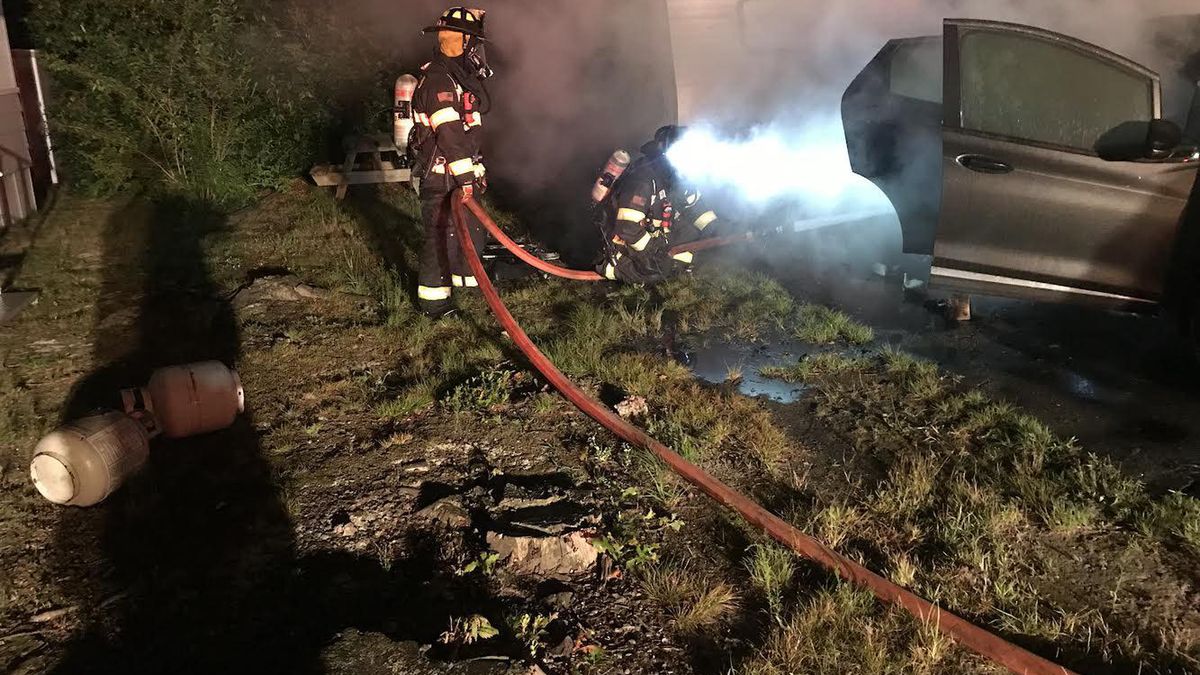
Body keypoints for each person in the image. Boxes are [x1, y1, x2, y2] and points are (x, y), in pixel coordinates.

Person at [411, 7, 494, 317]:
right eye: (474, 43)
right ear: (461, 43)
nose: (477, 51)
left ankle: (461, 285)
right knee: (438, 237)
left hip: (455, 172)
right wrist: (466, 178)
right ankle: (434, 306)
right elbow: (449, 135)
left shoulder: (457, 78)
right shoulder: (438, 80)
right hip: (442, 175)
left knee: (462, 232)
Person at [595, 125, 724, 283]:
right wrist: (653, 250)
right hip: (624, 244)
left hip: (657, 237)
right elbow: (627, 227)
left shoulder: (679, 177)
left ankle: (676, 265)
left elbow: (697, 210)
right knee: (658, 270)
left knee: (690, 238)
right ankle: (615, 269)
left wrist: (717, 230)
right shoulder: (643, 180)